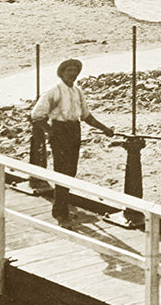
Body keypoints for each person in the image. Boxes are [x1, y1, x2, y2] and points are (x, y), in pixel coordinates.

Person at [29, 58, 117, 219]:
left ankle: (63, 206)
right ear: (62, 73)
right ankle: (59, 211)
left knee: (71, 171)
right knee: (61, 171)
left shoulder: (78, 92)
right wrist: (51, 131)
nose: (72, 74)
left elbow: (86, 116)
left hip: (74, 131)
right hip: (59, 130)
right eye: (69, 71)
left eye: (75, 71)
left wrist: (105, 129)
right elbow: (36, 116)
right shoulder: (53, 91)